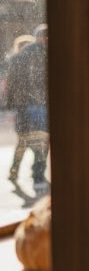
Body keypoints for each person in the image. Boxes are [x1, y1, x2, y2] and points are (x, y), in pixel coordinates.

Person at [3, 25, 50, 193]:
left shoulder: (21, 55)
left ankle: (28, 173)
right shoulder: (44, 54)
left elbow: (13, 81)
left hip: (26, 106)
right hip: (39, 105)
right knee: (40, 141)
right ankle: (37, 175)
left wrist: (13, 105)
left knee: (27, 140)